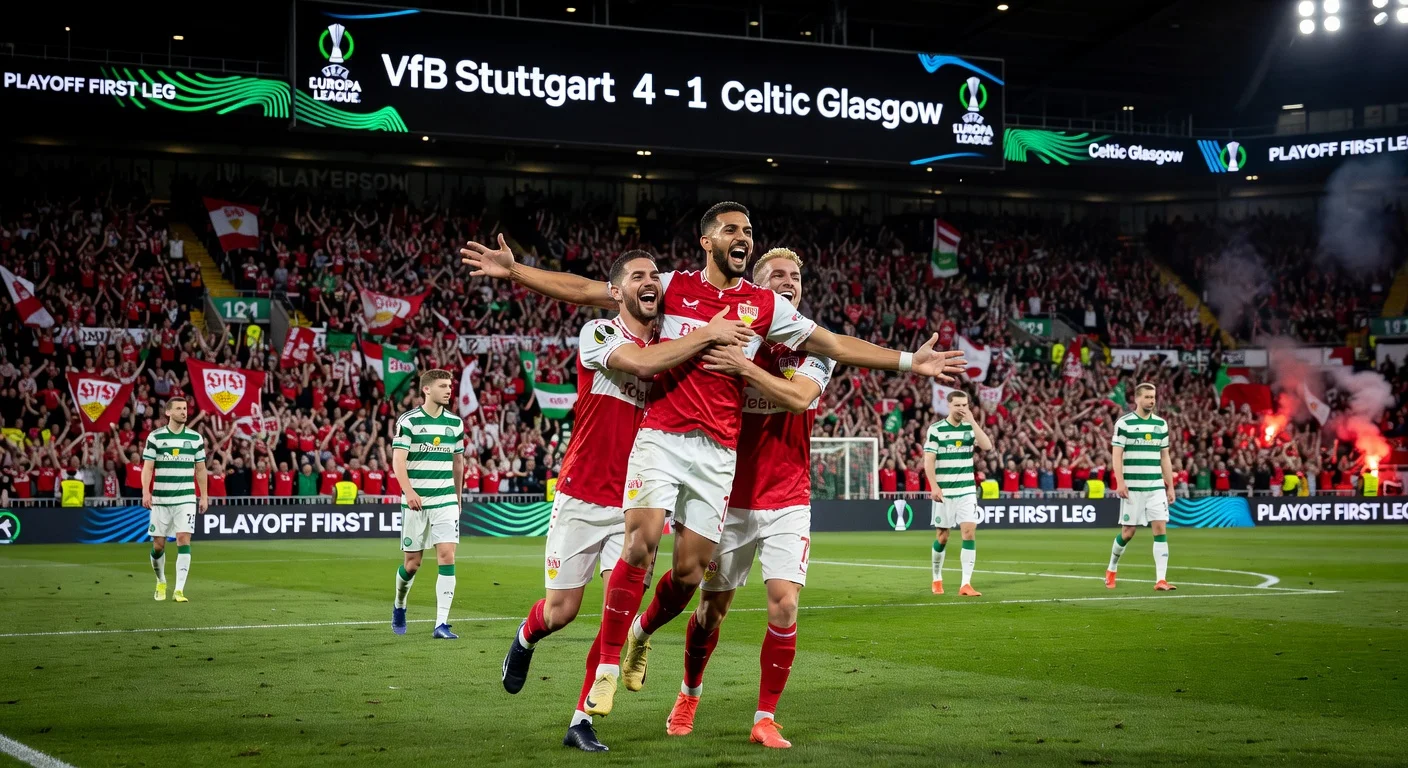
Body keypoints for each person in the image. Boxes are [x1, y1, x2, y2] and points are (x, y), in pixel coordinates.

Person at [462, 202, 965, 725]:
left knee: (688, 574)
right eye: (731, 229)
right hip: (661, 436)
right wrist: (515, 271)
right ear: (707, 241)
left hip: (718, 452)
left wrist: (912, 362)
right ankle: (606, 668)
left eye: (748, 229)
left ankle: (637, 639)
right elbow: (592, 289)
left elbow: (834, 343)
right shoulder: (674, 285)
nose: (742, 236)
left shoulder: (764, 306)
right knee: (640, 541)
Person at [497, 250, 752, 753]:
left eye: (655, 275)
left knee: (617, 611)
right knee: (561, 611)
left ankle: (582, 718)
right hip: (581, 492)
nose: (651, 282)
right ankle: (525, 638)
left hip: (637, 500)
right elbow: (636, 359)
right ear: (617, 291)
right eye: (638, 276)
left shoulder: (672, 344)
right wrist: (518, 271)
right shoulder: (600, 334)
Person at [650, 248, 833, 748]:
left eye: (796, 275)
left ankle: (765, 718)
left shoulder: (816, 348)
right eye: (777, 275)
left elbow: (798, 397)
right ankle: (689, 693)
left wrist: (745, 369)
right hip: (726, 497)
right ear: (756, 291)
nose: (790, 281)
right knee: (711, 612)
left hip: (789, 497)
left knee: (784, 605)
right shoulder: (728, 334)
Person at [390, 369, 467, 639]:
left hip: (445, 498)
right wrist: (408, 491)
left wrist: (458, 497)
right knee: (412, 564)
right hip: (416, 502)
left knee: (447, 555)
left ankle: (441, 623)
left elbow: (458, 463)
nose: (448, 390)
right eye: (443, 386)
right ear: (427, 390)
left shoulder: (456, 423)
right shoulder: (409, 421)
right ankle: (400, 604)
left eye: (450, 386)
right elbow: (398, 460)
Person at [1106, 382, 1177, 591]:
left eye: (1153, 397)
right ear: (1136, 399)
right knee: (1128, 532)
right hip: (1133, 487)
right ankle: (1112, 568)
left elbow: (1165, 457)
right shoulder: (1124, 423)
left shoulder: (1161, 425)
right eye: (1147, 397)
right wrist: (1120, 482)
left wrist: (1170, 486)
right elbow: (1116, 455)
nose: (1151, 401)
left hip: (1155, 486)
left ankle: (1161, 580)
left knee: (1160, 528)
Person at [924, 389, 993, 596]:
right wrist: (934, 486)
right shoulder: (936, 430)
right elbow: (929, 460)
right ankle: (937, 578)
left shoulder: (970, 428)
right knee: (943, 537)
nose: (962, 408)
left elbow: (987, 446)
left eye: (965, 405)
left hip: (967, 490)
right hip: (944, 492)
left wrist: (973, 421)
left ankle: (966, 584)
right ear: (949, 406)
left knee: (969, 532)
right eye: (958, 405)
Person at [141, 397, 209, 603]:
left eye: (185, 408)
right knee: (159, 545)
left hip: (186, 499)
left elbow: (201, 469)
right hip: (161, 499)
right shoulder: (155, 437)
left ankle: (179, 590)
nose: (183, 412)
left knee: (183, 539)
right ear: (168, 412)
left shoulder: (196, 438)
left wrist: (204, 496)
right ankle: (161, 581)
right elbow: (148, 467)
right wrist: (146, 491)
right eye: (179, 409)